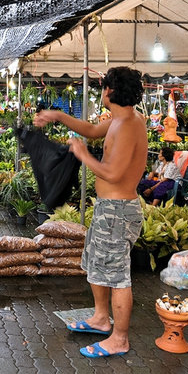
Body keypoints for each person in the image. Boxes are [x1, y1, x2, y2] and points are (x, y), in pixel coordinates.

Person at [34, 66, 147, 358]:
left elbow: (113, 172)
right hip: (110, 209)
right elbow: (93, 131)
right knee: (97, 265)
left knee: (117, 275)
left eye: (103, 88)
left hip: (119, 211)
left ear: (109, 91)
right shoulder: (123, 119)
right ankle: (100, 318)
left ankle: (119, 338)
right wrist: (58, 116)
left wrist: (83, 155)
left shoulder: (127, 125)